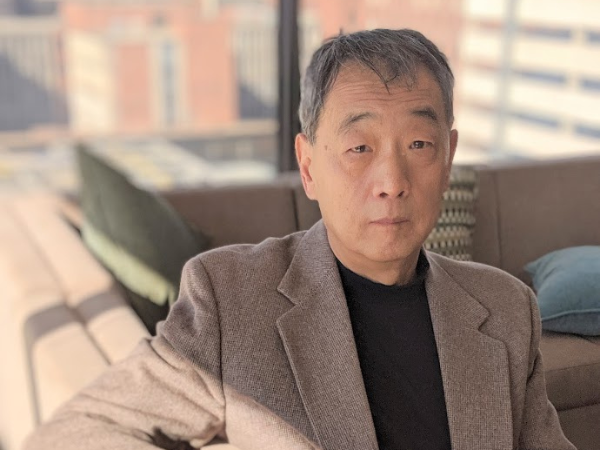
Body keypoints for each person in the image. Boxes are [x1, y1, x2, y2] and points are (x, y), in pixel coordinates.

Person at [25, 29, 575, 450]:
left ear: (448, 157)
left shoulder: (506, 306)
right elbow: (78, 432)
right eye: (359, 148)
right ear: (308, 167)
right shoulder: (229, 299)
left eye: (418, 144)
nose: (392, 182)